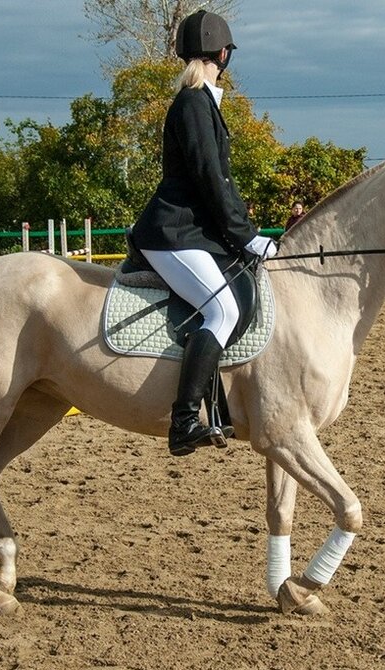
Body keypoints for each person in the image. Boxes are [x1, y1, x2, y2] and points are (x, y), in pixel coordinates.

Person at [127, 9, 277, 457]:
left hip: (190, 231)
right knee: (223, 311)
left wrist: (239, 238)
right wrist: (247, 236)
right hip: (171, 232)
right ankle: (185, 419)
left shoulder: (202, 102)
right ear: (223, 54)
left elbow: (217, 183)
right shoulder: (194, 103)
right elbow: (212, 180)